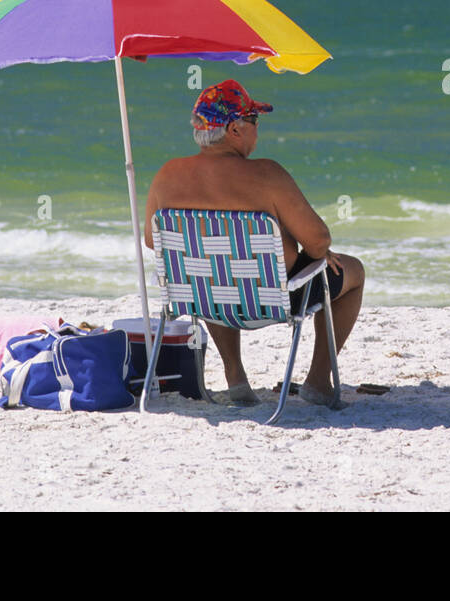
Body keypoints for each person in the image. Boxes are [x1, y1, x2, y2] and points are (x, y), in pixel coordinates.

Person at [142, 79, 364, 408]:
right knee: (354, 271)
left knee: (212, 268)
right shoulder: (266, 174)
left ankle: (235, 376)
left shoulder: (166, 175)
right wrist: (317, 252)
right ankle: (318, 379)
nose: (257, 130)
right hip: (274, 297)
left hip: (203, 298)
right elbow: (318, 242)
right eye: (254, 121)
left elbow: (151, 239)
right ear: (234, 129)